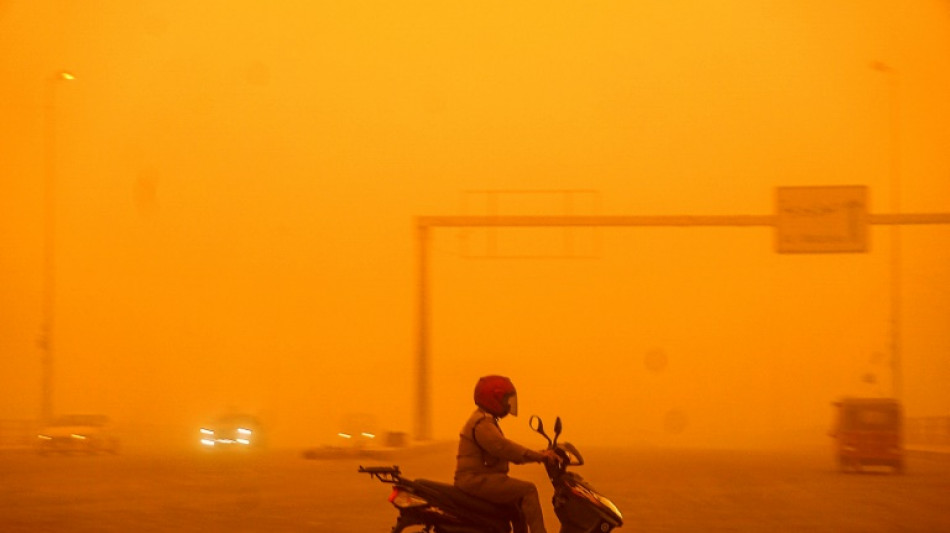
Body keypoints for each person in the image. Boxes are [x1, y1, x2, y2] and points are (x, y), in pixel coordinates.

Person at [454, 375, 560, 533]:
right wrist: (540, 456)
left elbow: (504, 449)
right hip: (474, 480)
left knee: (517, 506)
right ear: (493, 399)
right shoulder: (482, 423)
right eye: (505, 400)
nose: (508, 405)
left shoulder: (485, 420)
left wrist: (539, 454)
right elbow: (504, 448)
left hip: (480, 478)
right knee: (528, 490)